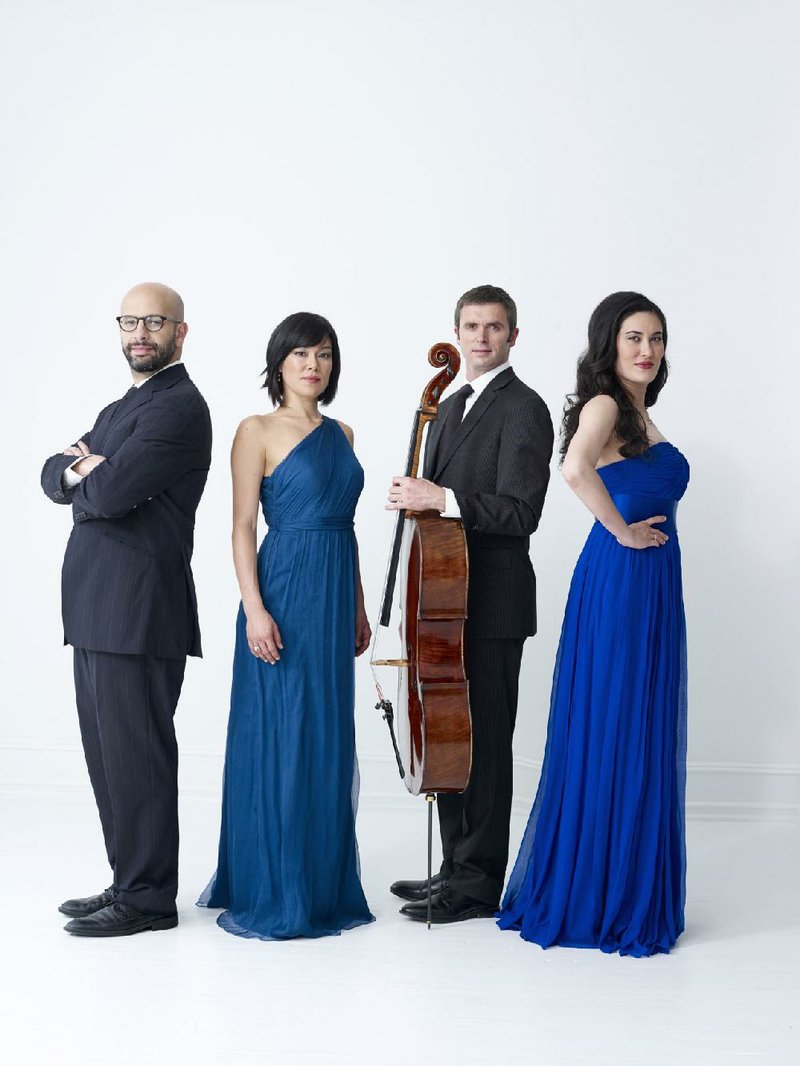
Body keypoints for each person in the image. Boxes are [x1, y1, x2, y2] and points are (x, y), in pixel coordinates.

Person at [497, 291, 690, 957]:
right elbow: (573, 468)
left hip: (651, 582)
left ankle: (622, 880)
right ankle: (598, 889)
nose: (647, 349)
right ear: (610, 343)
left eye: (657, 338)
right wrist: (623, 533)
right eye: (635, 337)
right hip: (622, 575)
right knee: (616, 717)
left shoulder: (638, 412)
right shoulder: (606, 404)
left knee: (637, 720)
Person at [40, 282, 212, 937]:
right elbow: (52, 470)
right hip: (96, 610)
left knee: (137, 757)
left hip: (137, 611)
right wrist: (81, 468)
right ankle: (126, 881)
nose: (141, 333)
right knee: (108, 758)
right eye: (131, 321)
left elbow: (108, 493)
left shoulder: (179, 407)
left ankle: (146, 899)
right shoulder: (123, 407)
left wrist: (87, 474)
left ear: (180, 331)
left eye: (155, 322)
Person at [198, 311, 374, 940]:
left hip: (332, 593)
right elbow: (243, 526)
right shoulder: (256, 430)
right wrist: (254, 608)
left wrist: (357, 606)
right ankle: (273, 883)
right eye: (301, 354)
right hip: (284, 586)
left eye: (324, 354)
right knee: (282, 727)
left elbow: (347, 529)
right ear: (279, 363)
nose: (313, 365)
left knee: (325, 730)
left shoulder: (344, 433)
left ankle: (320, 882)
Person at [387, 284, 554, 923]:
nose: (481, 337)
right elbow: (434, 508)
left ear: (513, 336)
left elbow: (520, 512)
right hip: (445, 597)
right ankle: (456, 866)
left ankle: (479, 882)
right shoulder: (450, 406)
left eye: (494, 327)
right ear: (457, 335)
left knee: (485, 739)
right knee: (451, 732)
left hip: (492, 602)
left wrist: (442, 498)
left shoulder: (525, 408)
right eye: (471, 326)